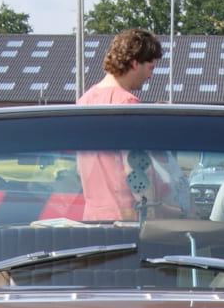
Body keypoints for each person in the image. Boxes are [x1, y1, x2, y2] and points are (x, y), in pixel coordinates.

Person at [76, 29, 182, 222]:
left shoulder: (84, 101)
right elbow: (136, 168)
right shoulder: (127, 104)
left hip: (93, 215)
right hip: (126, 218)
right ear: (134, 63)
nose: (150, 76)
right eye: (150, 68)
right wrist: (151, 210)